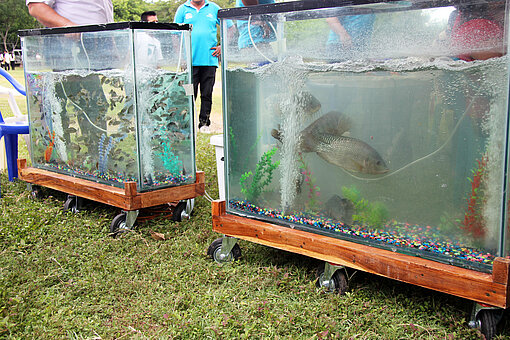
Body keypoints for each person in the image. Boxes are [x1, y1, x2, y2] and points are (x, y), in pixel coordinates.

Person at [26, 0, 113, 161]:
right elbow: (36, 6)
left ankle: (98, 162)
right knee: (57, 109)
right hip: (65, 46)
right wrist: (69, 26)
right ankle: (57, 162)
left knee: (95, 106)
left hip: (94, 47)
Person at [174, 0, 221, 134]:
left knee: (207, 94)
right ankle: (187, 124)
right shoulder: (183, 9)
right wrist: (180, 56)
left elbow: (229, 27)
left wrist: (221, 46)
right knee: (189, 94)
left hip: (209, 60)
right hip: (190, 62)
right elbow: (175, 34)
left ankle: (204, 123)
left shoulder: (213, 8)